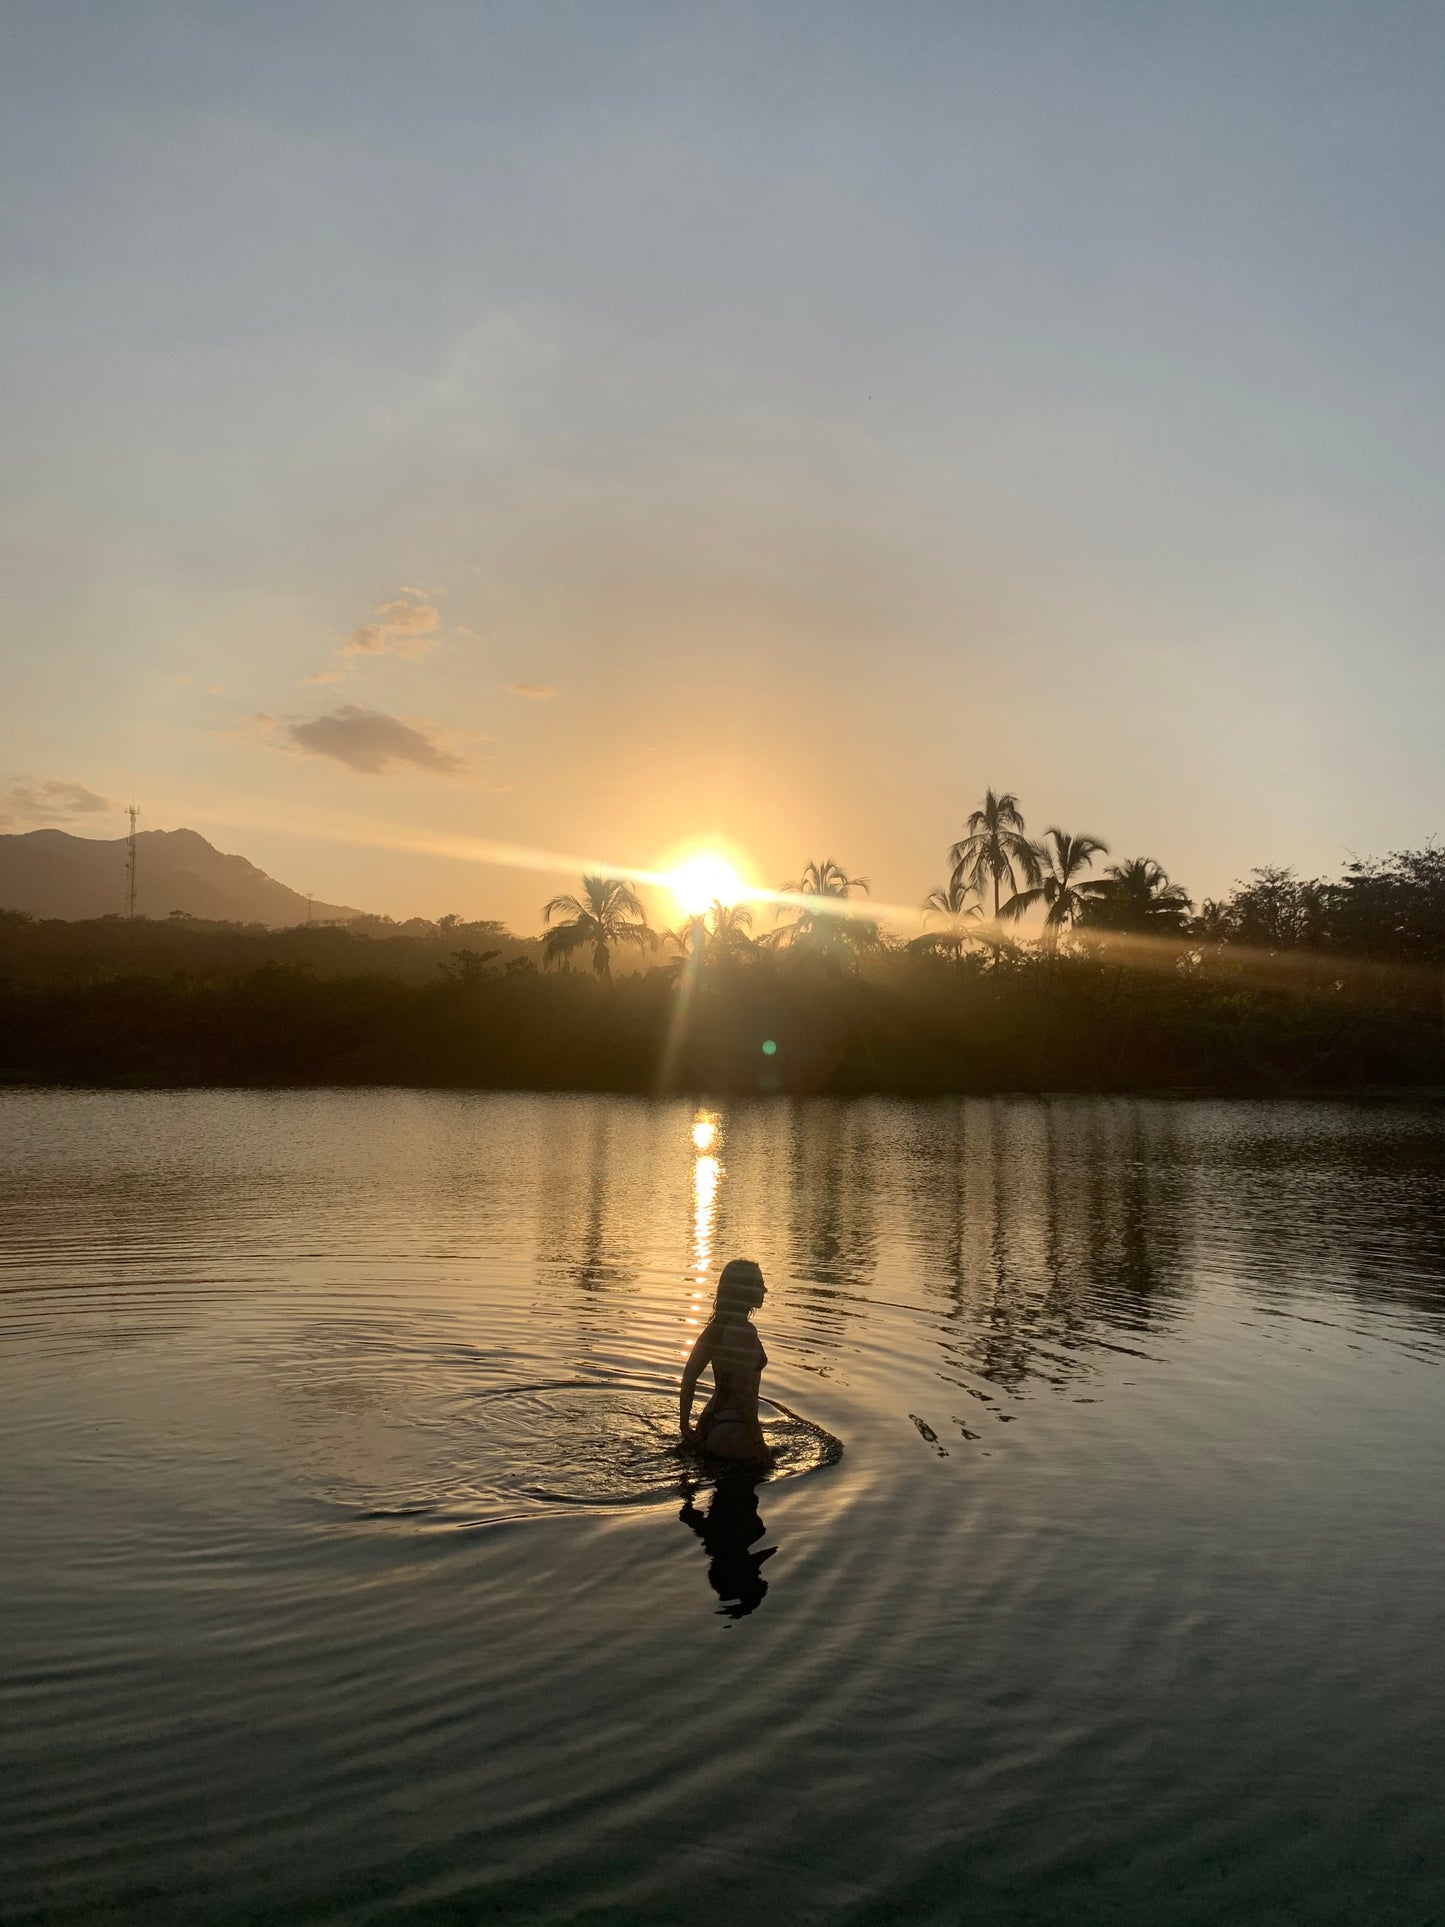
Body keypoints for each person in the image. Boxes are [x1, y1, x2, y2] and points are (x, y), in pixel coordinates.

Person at [679, 1257, 774, 1464]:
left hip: (708, 1423)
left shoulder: (714, 1329)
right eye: (759, 1284)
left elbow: (688, 1378)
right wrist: (758, 1444)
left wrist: (685, 1425)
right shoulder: (744, 1333)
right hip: (734, 1427)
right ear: (743, 1290)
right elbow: (744, 1393)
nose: (764, 1290)